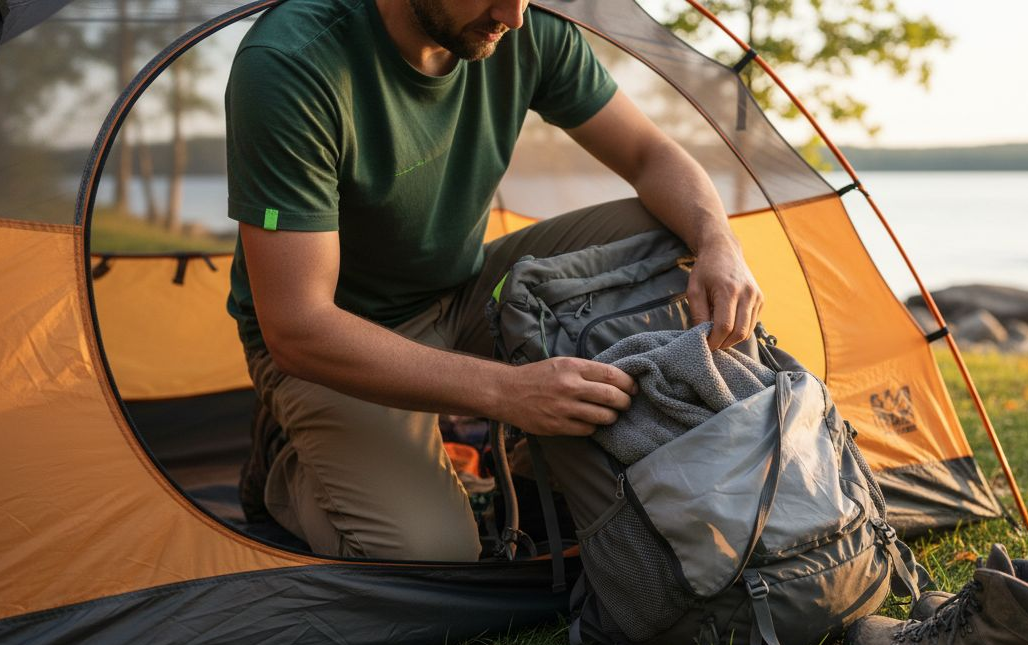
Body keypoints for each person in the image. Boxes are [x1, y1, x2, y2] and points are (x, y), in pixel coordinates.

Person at [226, 0, 763, 561]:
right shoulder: (291, 64)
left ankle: (540, 465)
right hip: (334, 343)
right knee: (434, 556)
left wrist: (719, 242)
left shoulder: (524, 28)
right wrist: (507, 393)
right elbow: (296, 327)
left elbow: (650, 155)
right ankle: (288, 470)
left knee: (671, 238)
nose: (513, 17)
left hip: (464, 292)